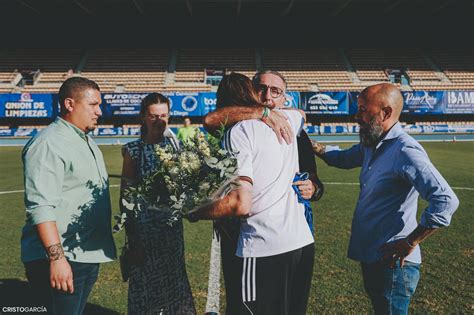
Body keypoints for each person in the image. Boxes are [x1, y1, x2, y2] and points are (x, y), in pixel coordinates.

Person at [312, 83, 459, 314]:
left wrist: (411, 241)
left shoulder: (405, 150)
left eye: (363, 110)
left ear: (386, 113)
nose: (356, 116)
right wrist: (307, 144)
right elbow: (341, 158)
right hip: (374, 255)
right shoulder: (372, 144)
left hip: (394, 263)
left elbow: (446, 200)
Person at [189, 73, 315, 315]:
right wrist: (264, 113)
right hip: (301, 243)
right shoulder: (287, 118)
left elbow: (240, 204)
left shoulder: (238, 132)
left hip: (263, 246)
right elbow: (302, 114)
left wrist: (195, 210)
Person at [21, 77, 116, 314]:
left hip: (85, 253)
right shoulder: (49, 143)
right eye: (93, 105)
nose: (99, 111)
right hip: (61, 257)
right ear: (70, 104)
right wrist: (57, 258)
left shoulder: (84, 139)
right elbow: (40, 206)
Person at [120, 93, 196, 314]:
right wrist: (132, 237)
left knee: (174, 283)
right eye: (153, 116)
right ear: (143, 117)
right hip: (143, 233)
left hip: (171, 231)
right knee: (144, 286)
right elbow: (126, 196)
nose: (159, 121)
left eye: (164, 115)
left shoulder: (178, 148)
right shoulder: (133, 150)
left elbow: (186, 188)